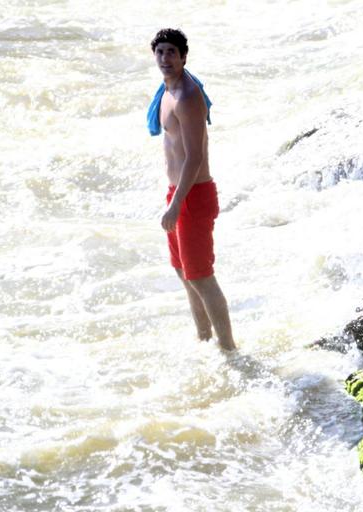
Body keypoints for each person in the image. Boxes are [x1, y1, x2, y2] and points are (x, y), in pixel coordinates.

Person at [148, 28, 236, 351]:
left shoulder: (187, 96)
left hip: (193, 197)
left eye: (172, 52)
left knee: (201, 276)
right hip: (178, 194)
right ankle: (204, 340)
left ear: (184, 57)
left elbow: (195, 156)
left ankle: (229, 349)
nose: (165, 58)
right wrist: (172, 200)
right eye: (160, 52)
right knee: (184, 273)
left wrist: (176, 206)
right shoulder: (166, 92)